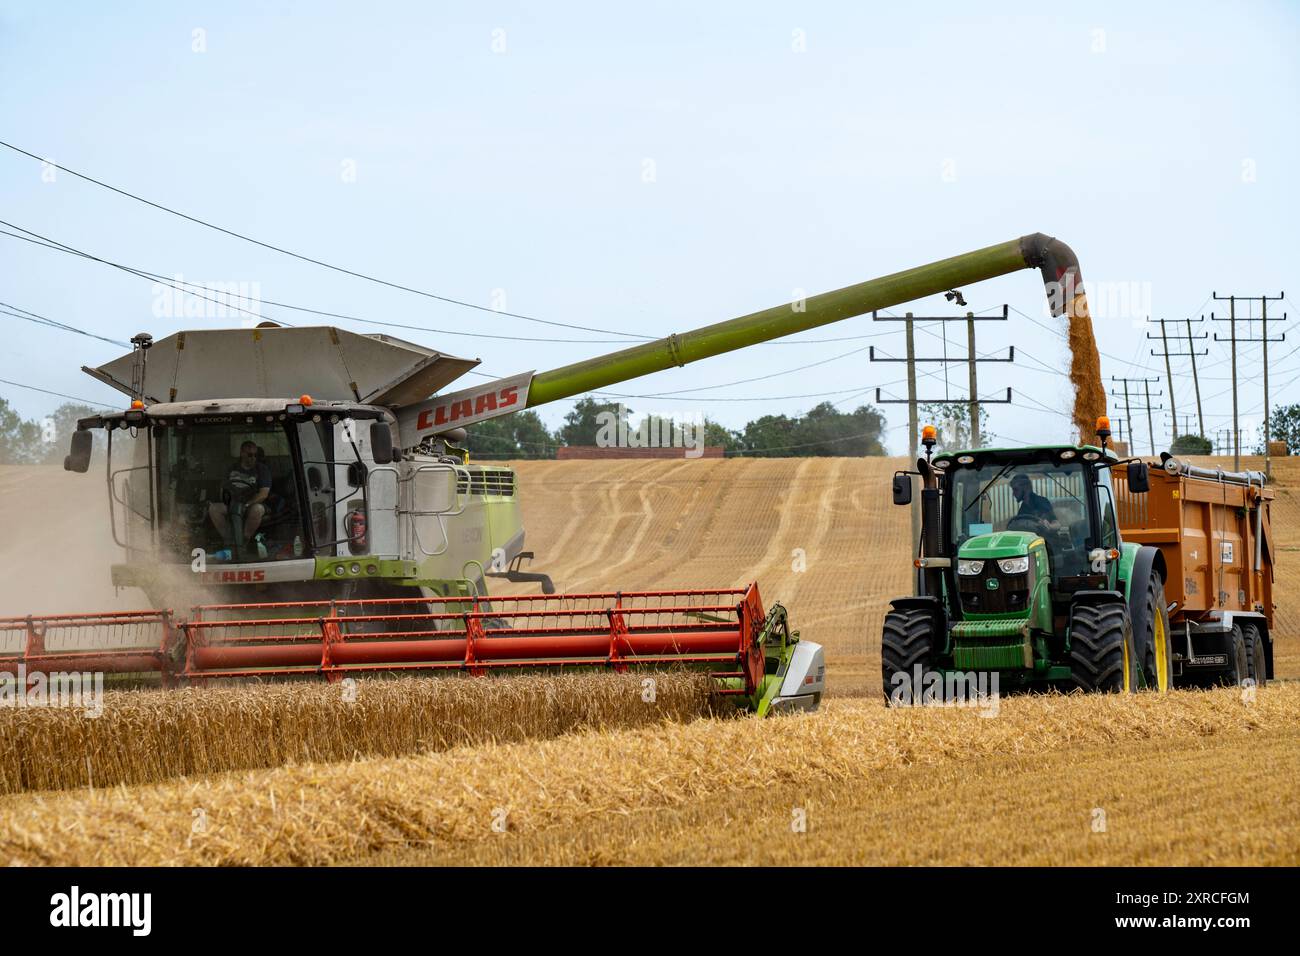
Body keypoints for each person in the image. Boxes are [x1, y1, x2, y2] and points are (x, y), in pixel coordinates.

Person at [208, 441, 272, 550]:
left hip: (252, 504)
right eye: (250, 455)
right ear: (242, 453)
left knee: (257, 510)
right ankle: (229, 540)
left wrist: (247, 504)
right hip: (232, 502)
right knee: (214, 508)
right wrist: (229, 502)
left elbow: (264, 494)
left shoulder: (262, 469)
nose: (253, 458)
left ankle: (243, 542)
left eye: (255, 455)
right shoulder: (231, 468)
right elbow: (222, 490)